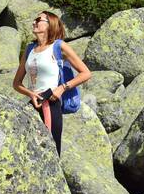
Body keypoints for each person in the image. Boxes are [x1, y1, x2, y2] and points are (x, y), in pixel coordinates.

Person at [12, 10, 91, 155]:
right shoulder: (30, 49)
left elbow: (86, 73)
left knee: (50, 153)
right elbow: (16, 83)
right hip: (33, 103)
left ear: (50, 24)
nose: (34, 22)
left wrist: (62, 88)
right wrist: (31, 94)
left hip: (51, 102)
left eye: (38, 19)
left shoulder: (59, 46)